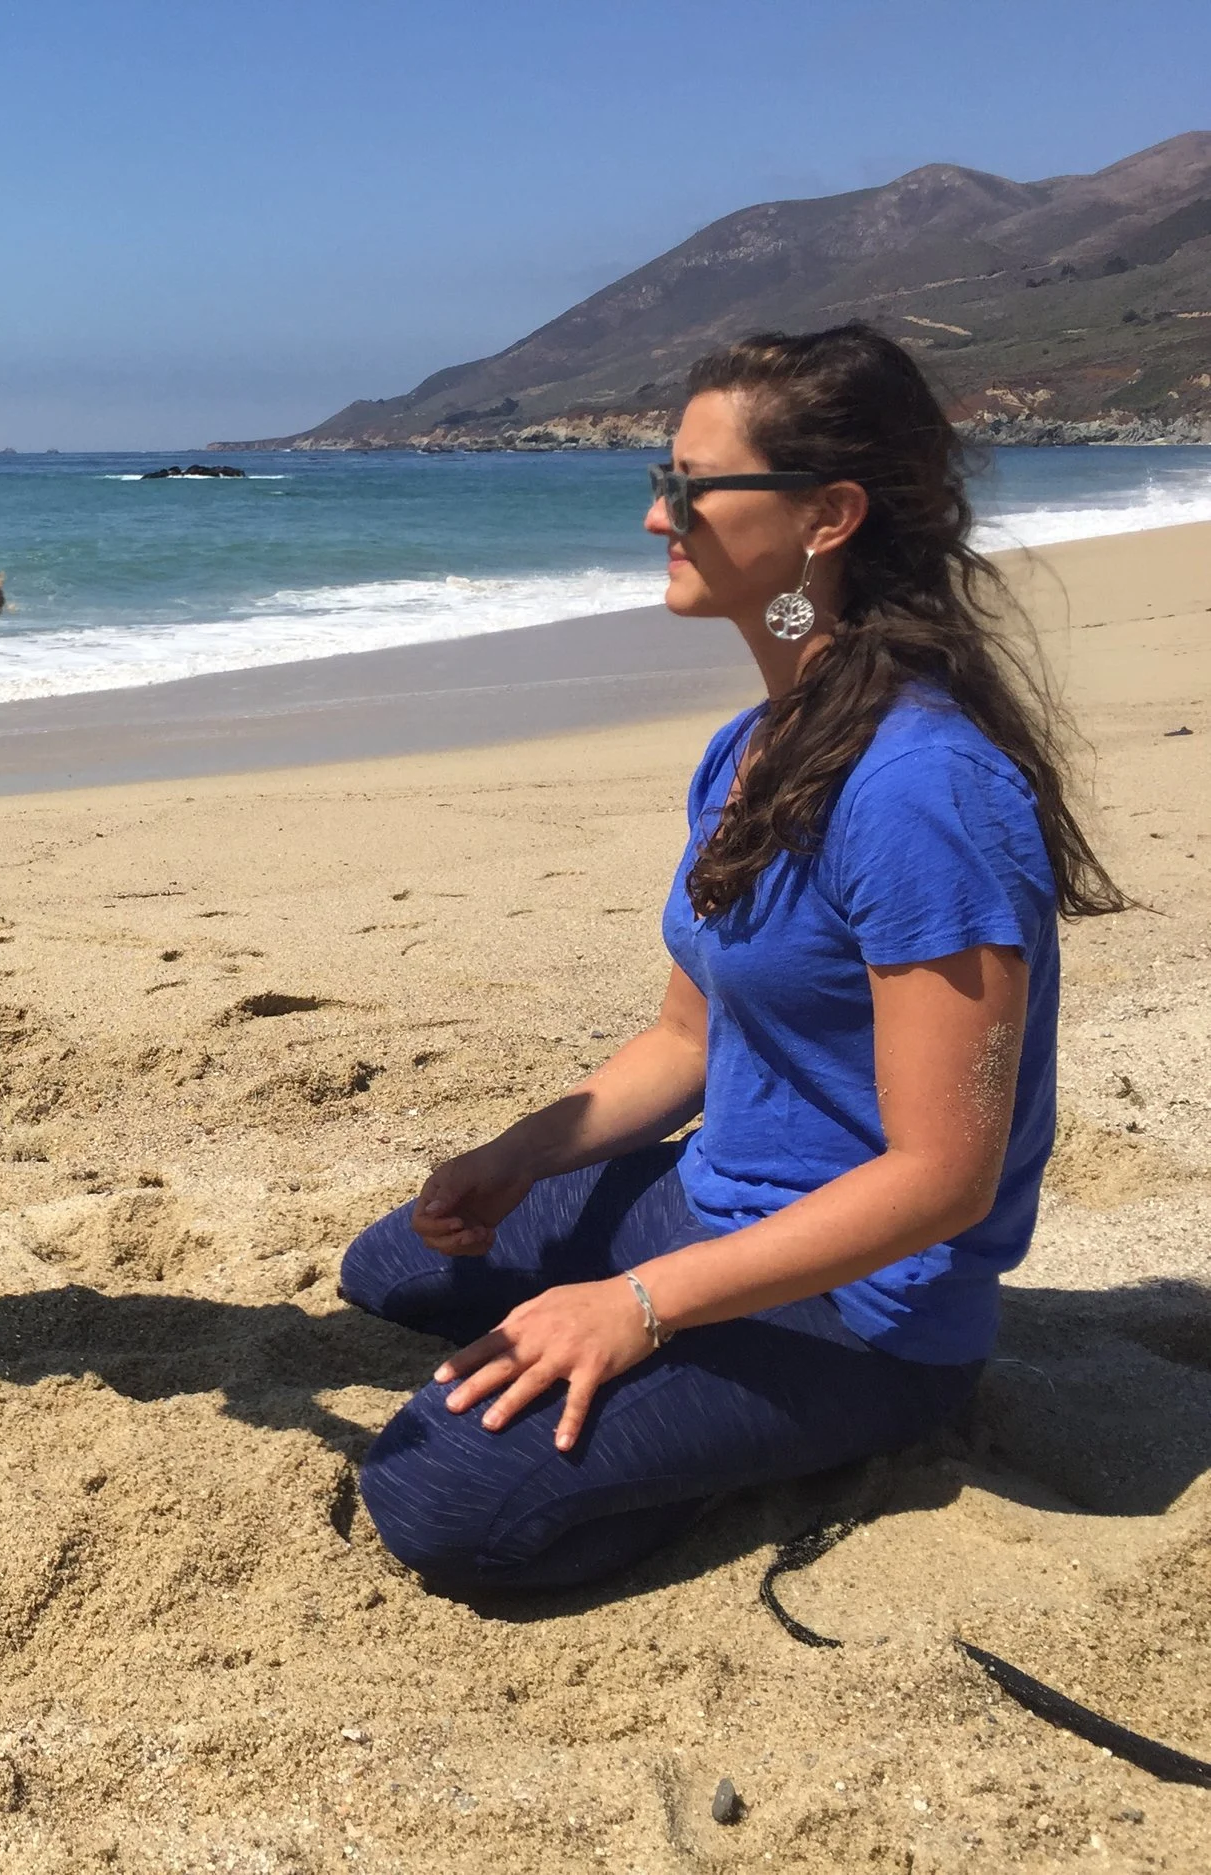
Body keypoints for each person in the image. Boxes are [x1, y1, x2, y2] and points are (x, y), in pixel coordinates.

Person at [338, 323, 1130, 1593]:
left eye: (689, 488)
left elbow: (942, 1180)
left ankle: (792, 1440)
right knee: (396, 1268)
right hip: (711, 1203)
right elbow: (686, 1041)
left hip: (862, 1308)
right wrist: (517, 1154)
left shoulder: (922, 791)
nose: (660, 519)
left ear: (827, 516)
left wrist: (637, 1308)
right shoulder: (750, 749)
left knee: (438, 1499)